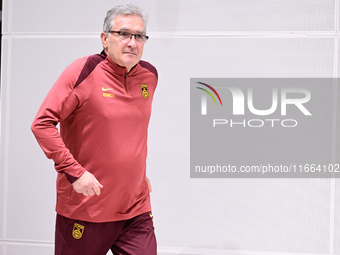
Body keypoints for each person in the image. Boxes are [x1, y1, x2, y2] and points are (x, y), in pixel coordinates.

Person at [31, 4, 157, 255]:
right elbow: (42, 124)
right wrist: (75, 173)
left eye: (139, 36)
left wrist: (135, 175)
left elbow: (126, 135)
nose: (132, 42)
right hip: (86, 208)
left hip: (135, 207)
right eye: (123, 34)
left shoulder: (149, 76)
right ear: (104, 38)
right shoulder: (83, 71)